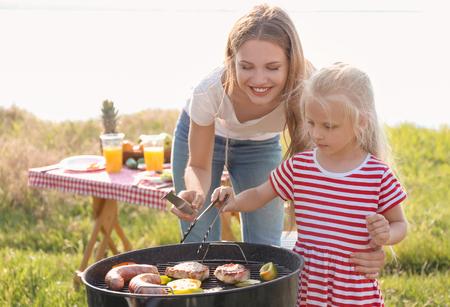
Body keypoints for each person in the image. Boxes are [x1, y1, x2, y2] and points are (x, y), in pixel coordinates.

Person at [171, 4, 387, 278]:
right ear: (231, 59)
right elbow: (198, 166)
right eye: (246, 66)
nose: (259, 79)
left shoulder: (307, 88)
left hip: (260, 146)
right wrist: (194, 191)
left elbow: (333, 180)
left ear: (290, 62)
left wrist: (373, 245)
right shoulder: (209, 90)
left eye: (272, 67)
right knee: (197, 246)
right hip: (208, 140)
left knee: (265, 250)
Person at [212, 62, 408, 306]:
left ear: (361, 123)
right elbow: (260, 194)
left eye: (328, 126)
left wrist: (387, 234)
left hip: (354, 290)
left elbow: (400, 224)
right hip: (308, 285)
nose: (316, 134)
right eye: (311, 122)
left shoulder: (377, 175)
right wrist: (233, 201)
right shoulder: (300, 166)